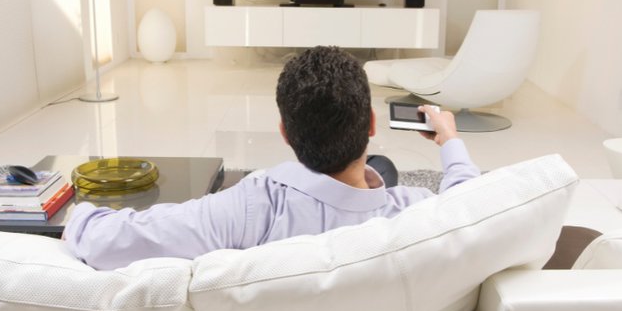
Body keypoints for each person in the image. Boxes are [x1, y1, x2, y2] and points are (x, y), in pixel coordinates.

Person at [64, 46, 480, 270]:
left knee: (379, 171)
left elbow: (109, 241)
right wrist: (449, 142)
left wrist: (78, 217)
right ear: (371, 123)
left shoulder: (247, 208)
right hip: (375, 202)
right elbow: (475, 204)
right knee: (382, 173)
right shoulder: (419, 214)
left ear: (285, 133)